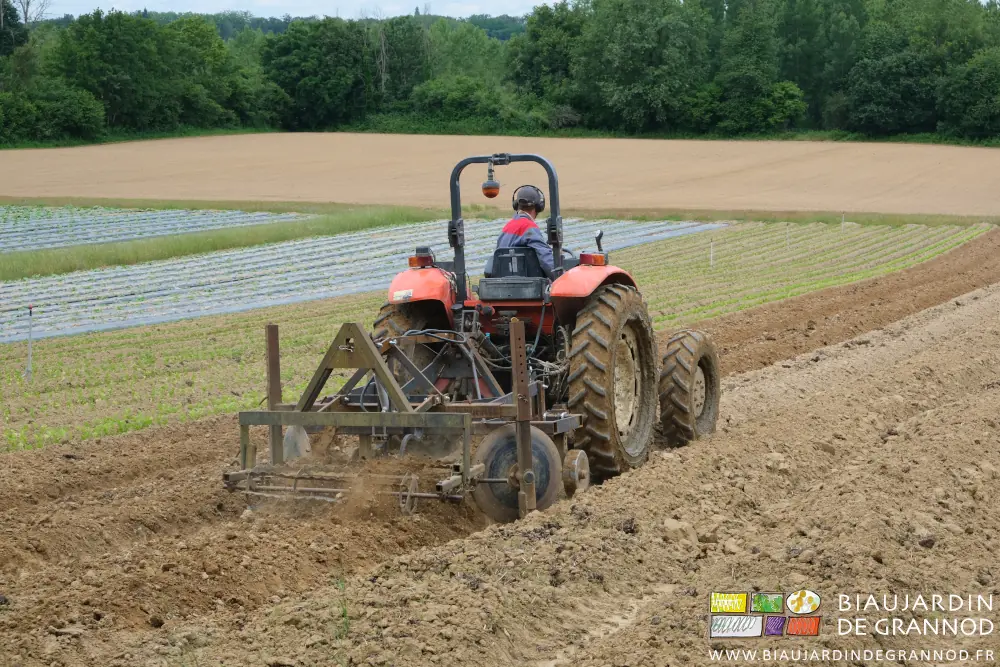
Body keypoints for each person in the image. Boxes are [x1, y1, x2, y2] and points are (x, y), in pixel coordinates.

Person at [495, 184, 555, 277]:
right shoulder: (528, 227)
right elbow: (546, 260)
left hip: (505, 282)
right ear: (539, 207)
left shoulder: (507, 226)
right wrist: (562, 277)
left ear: (516, 205)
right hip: (527, 285)